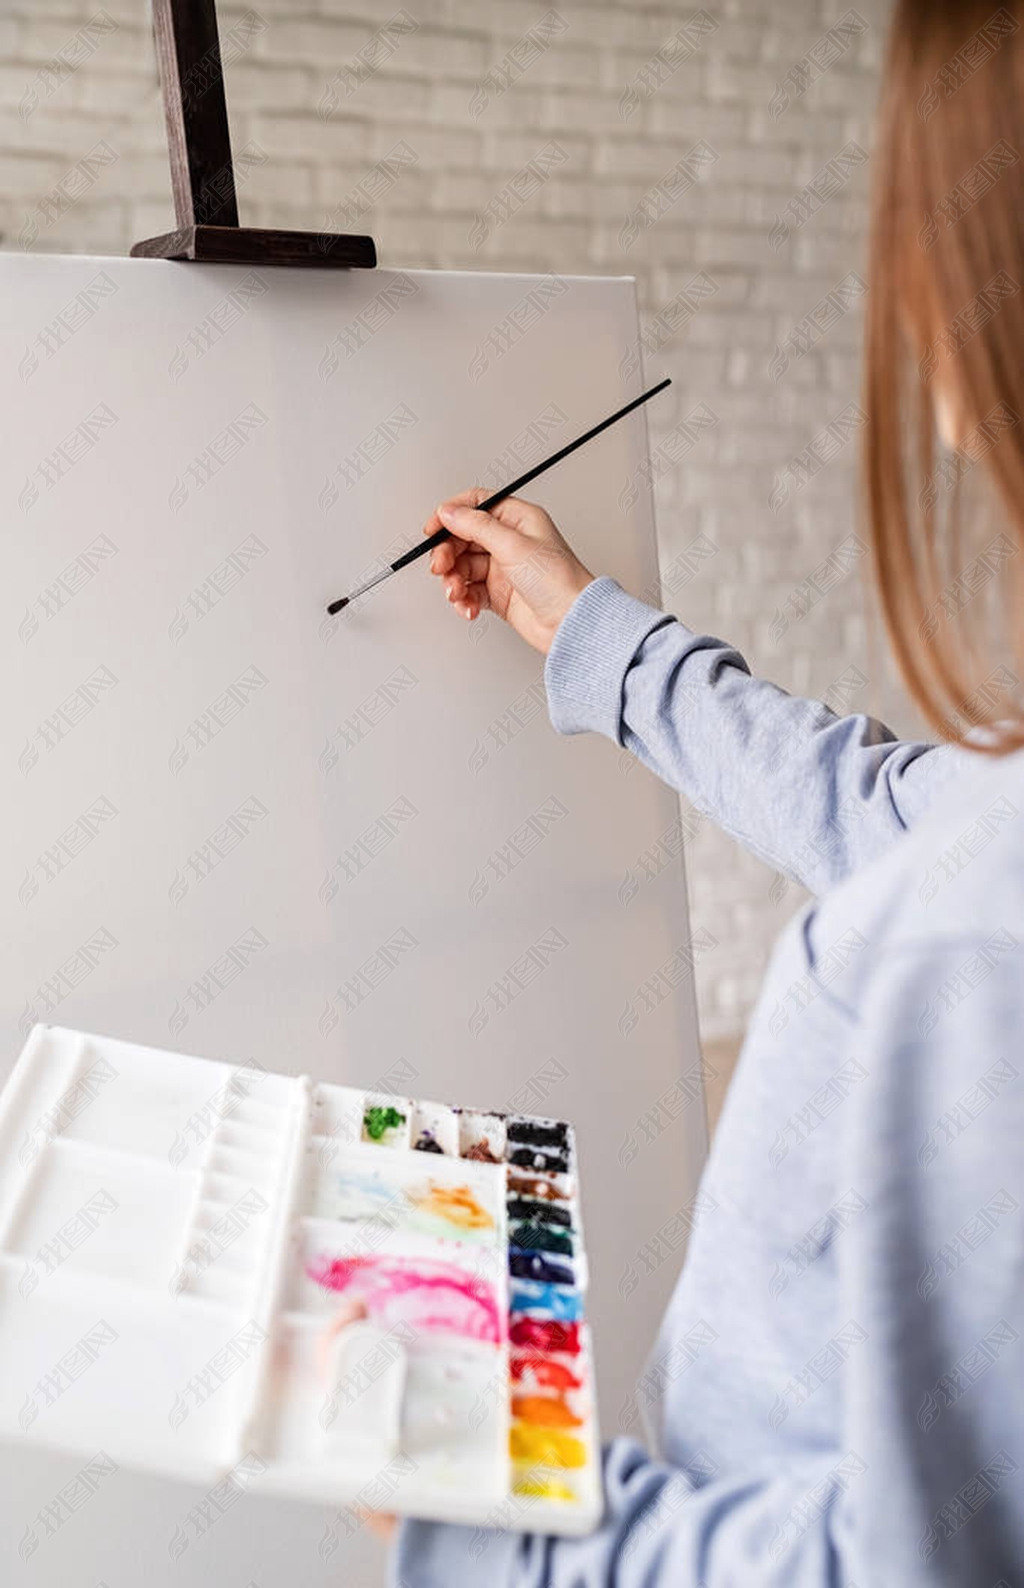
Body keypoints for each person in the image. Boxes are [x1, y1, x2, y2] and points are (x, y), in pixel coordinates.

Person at [382, 2, 1024, 1581]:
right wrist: (605, 638)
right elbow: (901, 815)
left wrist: (496, 1530)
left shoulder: (977, 948)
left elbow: (907, 1564)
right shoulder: (979, 875)